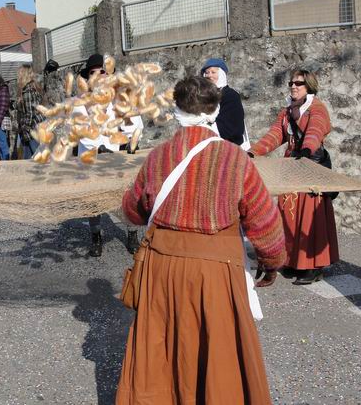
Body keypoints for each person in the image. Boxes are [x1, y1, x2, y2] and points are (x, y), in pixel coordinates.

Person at [116, 76, 286, 404]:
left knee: (163, 354)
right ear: (215, 109)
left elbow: (133, 211)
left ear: (177, 110)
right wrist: (273, 262)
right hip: (216, 273)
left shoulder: (158, 157)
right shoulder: (236, 160)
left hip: (161, 272)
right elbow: (265, 224)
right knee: (218, 358)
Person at [248, 69, 338, 285]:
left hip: (310, 167)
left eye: (299, 83)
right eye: (291, 83)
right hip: (291, 168)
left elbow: (316, 131)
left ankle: (312, 266)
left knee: (308, 218)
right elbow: (275, 135)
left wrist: (306, 149)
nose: (293, 86)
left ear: (309, 87)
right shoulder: (288, 111)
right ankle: (291, 260)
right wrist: (253, 152)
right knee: (288, 216)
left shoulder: (317, 109)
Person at [76, 54, 144, 256]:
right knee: (94, 200)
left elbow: (134, 122)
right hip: (92, 156)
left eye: (102, 72)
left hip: (117, 156)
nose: (98, 76)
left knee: (127, 197)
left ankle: (132, 234)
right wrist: (98, 147)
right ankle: (96, 236)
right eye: (92, 72)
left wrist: (131, 138)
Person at [201, 57, 246, 145]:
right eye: (207, 73)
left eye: (213, 72)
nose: (209, 76)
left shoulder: (230, 96)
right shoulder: (202, 96)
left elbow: (230, 129)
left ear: (221, 74)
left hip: (228, 146)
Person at [15, 64, 44, 159]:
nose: (17, 76)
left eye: (19, 73)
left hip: (32, 127)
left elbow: (30, 113)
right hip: (37, 125)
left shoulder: (27, 91)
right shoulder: (33, 88)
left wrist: (25, 128)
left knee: (35, 156)